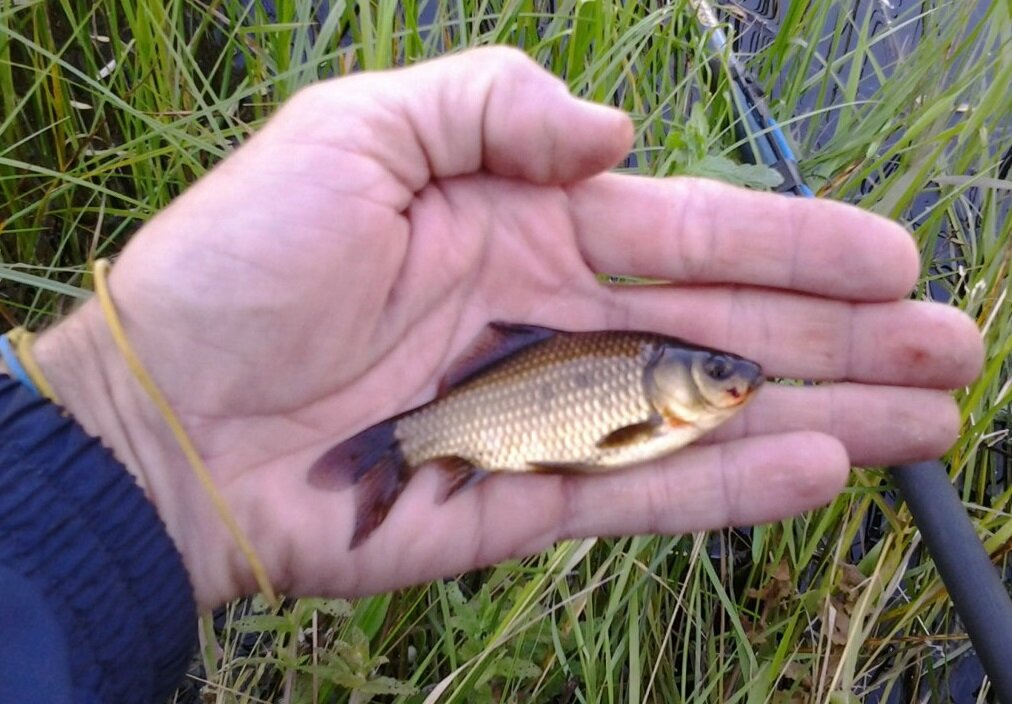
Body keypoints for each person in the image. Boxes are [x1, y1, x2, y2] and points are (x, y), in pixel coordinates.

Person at [0, 48, 983, 703]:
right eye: (722, 372)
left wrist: (133, 425)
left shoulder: (656, 402)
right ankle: (398, 454)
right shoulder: (648, 398)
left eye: (730, 374)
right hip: (472, 422)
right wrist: (139, 425)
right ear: (683, 373)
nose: (736, 383)